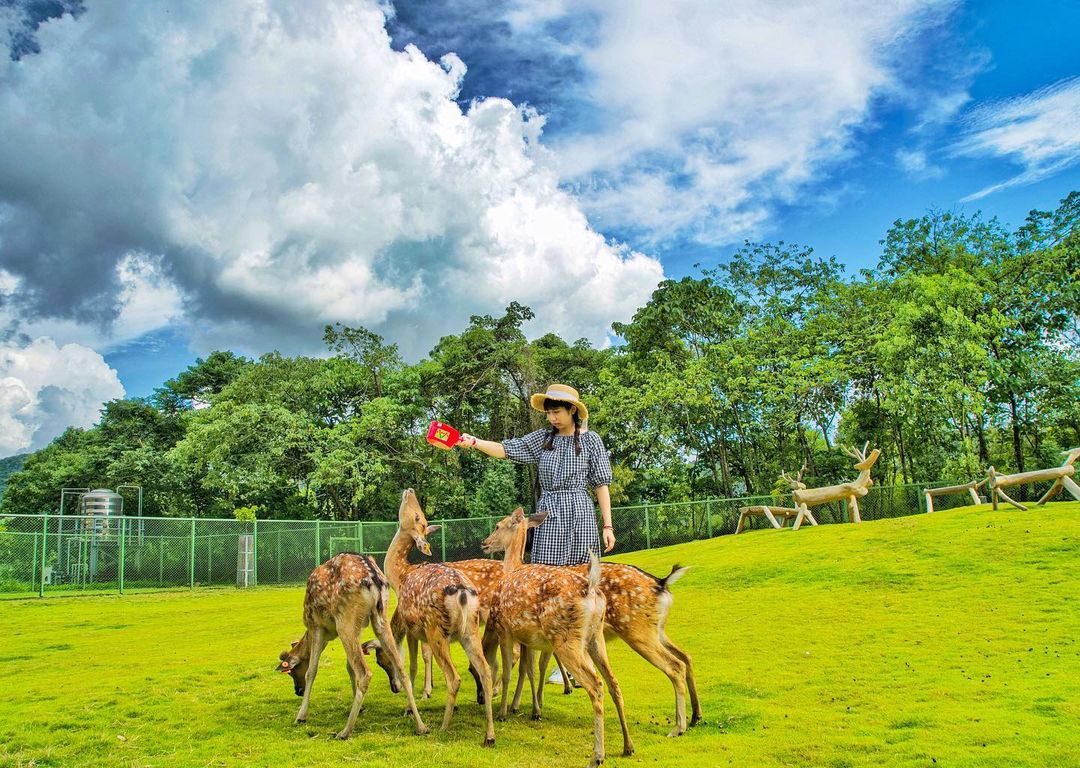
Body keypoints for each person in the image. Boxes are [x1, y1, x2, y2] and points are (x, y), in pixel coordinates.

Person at [457, 383, 616, 565]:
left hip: (581, 515)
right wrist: (475, 442)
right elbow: (505, 449)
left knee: (583, 574)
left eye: (556, 412)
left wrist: (608, 526)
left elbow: (601, 485)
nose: (552, 418)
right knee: (544, 571)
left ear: (572, 410)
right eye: (548, 413)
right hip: (549, 515)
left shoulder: (591, 440)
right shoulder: (543, 439)